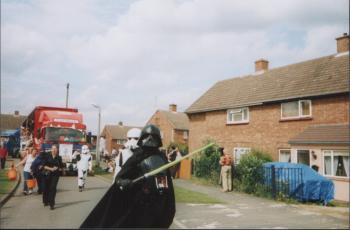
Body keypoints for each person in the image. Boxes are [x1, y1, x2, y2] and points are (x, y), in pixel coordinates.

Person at [81, 124, 175, 228]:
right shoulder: (137, 157)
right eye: (147, 136)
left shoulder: (162, 158)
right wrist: (123, 182)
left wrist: (168, 205)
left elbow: (167, 184)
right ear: (142, 138)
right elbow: (120, 177)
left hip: (158, 204)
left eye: (153, 136)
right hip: (140, 204)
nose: (150, 139)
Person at [41, 145, 64, 210]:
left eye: (55, 149)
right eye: (53, 149)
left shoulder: (59, 157)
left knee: (53, 188)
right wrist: (51, 169)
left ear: (57, 150)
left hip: (55, 175)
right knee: (46, 188)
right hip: (47, 174)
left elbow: (61, 166)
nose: (54, 150)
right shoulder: (47, 156)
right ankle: (45, 201)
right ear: (51, 149)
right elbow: (43, 166)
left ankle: (52, 204)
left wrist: (60, 168)